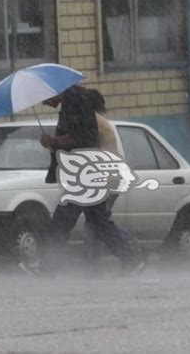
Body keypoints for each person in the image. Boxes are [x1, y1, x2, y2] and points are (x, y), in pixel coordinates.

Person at [30, 85, 145, 275]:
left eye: (44, 98)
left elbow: (81, 139)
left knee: (62, 221)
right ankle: (131, 258)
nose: (44, 104)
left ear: (54, 91)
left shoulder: (74, 104)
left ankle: (48, 267)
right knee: (98, 222)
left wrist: (53, 141)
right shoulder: (72, 103)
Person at [82, 88, 146, 268]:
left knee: (98, 223)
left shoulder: (94, 122)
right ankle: (94, 265)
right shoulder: (95, 121)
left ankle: (129, 253)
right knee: (95, 223)